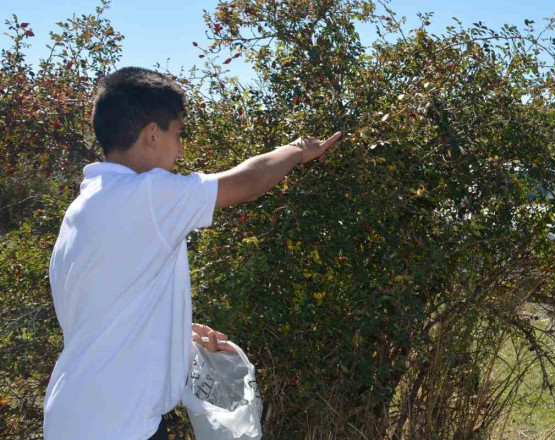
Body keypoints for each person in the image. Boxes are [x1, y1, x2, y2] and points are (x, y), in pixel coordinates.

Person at [43, 66, 342, 440]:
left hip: (77, 414)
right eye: (178, 134)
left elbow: (103, 308)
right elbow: (246, 183)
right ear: (153, 133)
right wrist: (299, 150)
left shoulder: (87, 206)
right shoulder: (147, 195)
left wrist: (174, 331)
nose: (181, 149)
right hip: (118, 425)